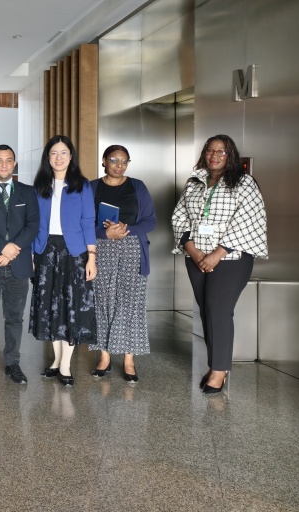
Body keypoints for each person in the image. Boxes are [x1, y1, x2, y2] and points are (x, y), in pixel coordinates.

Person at [172, 134, 267, 394]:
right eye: (210, 150)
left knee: (219, 310)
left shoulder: (244, 183)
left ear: (230, 155)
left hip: (231, 258)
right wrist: (192, 250)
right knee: (207, 311)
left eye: (221, 151)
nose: (215, 155)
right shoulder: (194, 182)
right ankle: (216, 364)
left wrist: (217, 253)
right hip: (196, 257)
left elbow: (248, 220)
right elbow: (180, 216)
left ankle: (219, 370)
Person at [29, 135, 96, 386]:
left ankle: (66, 364)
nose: (59, 158)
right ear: (48, 157)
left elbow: (88, 222)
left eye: (63, 152)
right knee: (49, 306)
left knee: (71, 306)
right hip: (45, 251)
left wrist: (92, 257)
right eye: (54, 153)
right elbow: (33, 223)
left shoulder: (82, 185)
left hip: (74, 252)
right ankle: (56, 360)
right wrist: (32, 254)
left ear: (71, 156)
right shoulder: (40, 185)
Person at [88, 145, 157, 382]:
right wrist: (104, 233)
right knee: (102, 302)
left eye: (124, 161)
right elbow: (82, 223)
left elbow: (150, 221)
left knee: (130, 303)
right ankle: (104, 357)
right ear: (104, 161)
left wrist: (127, 230)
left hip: (132, 249)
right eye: (114, 160)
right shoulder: (92, 187)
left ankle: (129, 360)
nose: (119, 165)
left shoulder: (138, 186)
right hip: (101, 249)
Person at [0, 145, 39, 385]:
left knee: (15, 318)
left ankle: (13, 363)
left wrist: (12, 251)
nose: (4, 165)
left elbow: (33, 225)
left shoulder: (27, 192)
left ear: (14, 164)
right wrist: (2, 248)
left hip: (18, 266)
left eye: (8, 160)